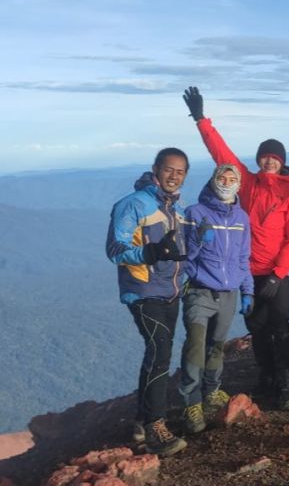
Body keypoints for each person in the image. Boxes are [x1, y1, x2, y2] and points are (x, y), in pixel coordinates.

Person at [183, 87, 289, 410]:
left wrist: (278, 275)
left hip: (275, 275)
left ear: (282, 162)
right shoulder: (247, 182)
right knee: (256, 327)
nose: (269, 160)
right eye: (265, 156)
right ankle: (266, 378)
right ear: (259, 159)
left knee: (280, 329)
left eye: (275, 157)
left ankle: (287, 387)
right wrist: (201, 119)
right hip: (244, 274)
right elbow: (220, 154)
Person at [105, 148, 190, 457]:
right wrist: (149, 253)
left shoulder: (175, 209)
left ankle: (141, 421)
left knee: (156, 352)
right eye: (169, 169)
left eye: (180, 171)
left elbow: (177, 255)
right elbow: (115, 249)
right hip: (142, 290)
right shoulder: (133, 204)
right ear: (156, 169)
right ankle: (155, 426)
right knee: (160, 350)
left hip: (170, 291)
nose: (174, 175)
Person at [177, 164, 254, 434]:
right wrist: (198, 241)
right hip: (200, 290)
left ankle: (211, 390)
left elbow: (244, 258)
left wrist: (247, 290)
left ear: (239, 184)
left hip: (229, 293)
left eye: (233, 179)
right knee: (195, 346)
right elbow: (183, 257)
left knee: (216, 346)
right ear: (213, 180)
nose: (227, 182)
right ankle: (192, 401)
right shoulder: (194, 213)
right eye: (222, 177)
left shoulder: (241, 218)